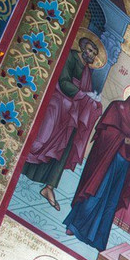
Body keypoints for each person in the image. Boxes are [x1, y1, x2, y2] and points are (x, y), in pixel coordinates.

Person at [64, 92, 130, 252]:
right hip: (107, 160)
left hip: (122, 165)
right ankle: (75, 226)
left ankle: (98, 239)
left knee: (110, 201)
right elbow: (107, 132)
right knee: (97, 192)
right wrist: (128, 141)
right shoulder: (117, 107)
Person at [22, 35, 104, 211]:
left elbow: (86, 91)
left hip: (73, 110)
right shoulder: (71, 57)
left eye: (94, 53)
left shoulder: (87, 71)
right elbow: (64, 81)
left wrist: (92, 100)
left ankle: (49, 187)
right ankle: (22, 166)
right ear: (82, 47)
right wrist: (83, 95)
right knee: (43, 137)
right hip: (59, 103)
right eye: (90, 50)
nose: (91, 54)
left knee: (67, 145)